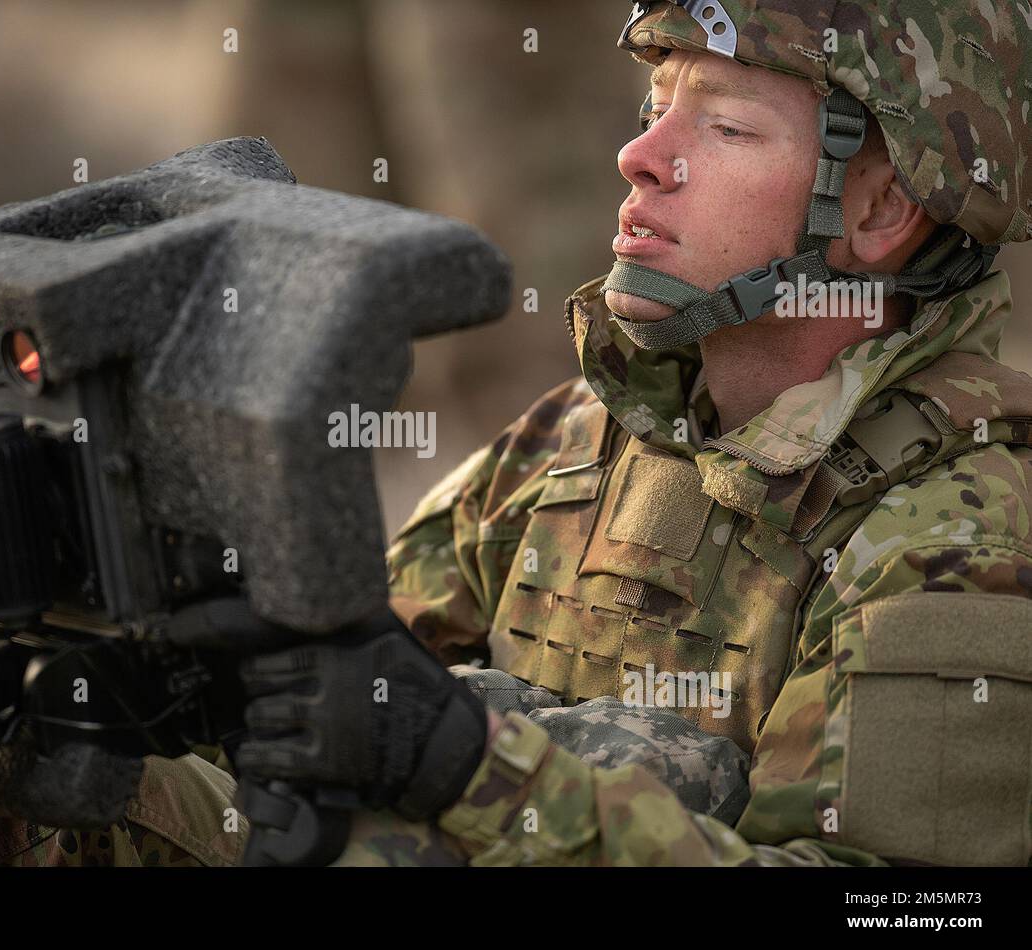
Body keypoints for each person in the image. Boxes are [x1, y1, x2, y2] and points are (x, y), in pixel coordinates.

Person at [232, 0, 1032, 866]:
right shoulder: (574, 440)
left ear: (880, 210)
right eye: (656, 108)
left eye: (725, 125)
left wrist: (473, 773)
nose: (640, 157)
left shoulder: (966, 538)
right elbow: (330, 738)